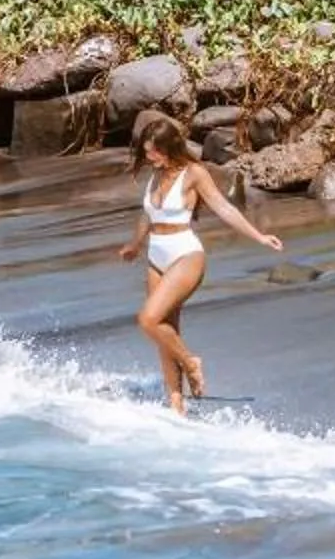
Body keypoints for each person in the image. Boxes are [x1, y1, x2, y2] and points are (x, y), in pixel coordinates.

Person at [118, 111, 282, 413]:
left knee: (148, 319)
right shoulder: (156, 173)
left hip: (185, 254)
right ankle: (176, 405)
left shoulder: (193, 173)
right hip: (156, 255)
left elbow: (223, 208)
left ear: (169, 147)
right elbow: (147, 215)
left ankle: (191, 361)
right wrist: (135, 244)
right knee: (165, 332)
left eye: (154, 151)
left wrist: (258, 236)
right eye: (147, 152)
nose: (150, 157)